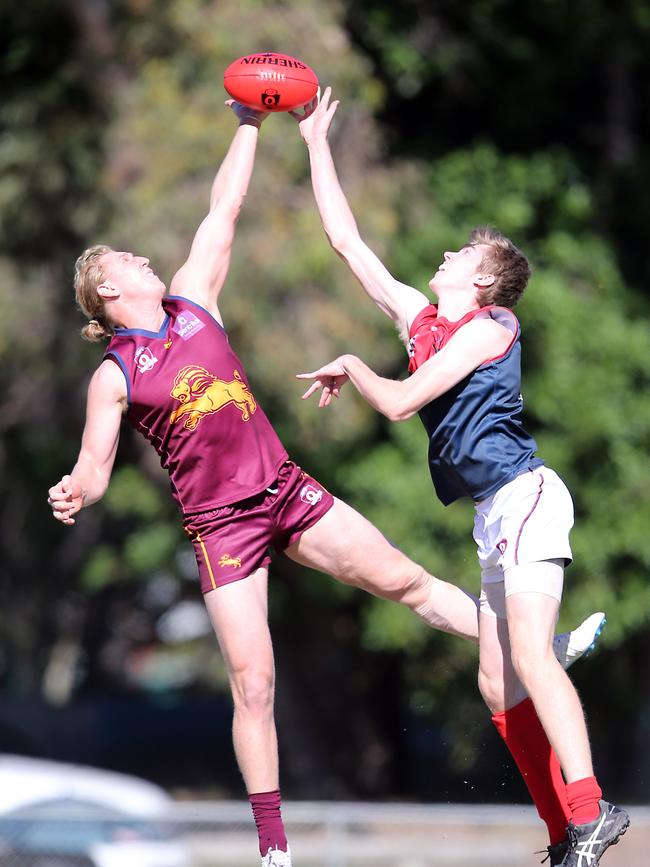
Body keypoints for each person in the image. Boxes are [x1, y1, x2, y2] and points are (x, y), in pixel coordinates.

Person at [49, 99, 601, 867]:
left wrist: (250, 122)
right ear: (106, 295)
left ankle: (545, 662)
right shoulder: (115, 374)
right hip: (220, 525)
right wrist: (75, 487)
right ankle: (274, 848)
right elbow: (96, 466)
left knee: (409, 582)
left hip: (285, 488)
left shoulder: (194, 298)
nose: (142, 260)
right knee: (256, 681)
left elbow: (226, 205)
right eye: (125, 264)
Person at [296, 88, 629, 867]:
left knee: (535, 660)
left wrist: (353, 364)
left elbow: (405, 402)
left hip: (528, 497)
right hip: (492, 511)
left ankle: (592, 809)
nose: (446, 254)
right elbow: (348, 245)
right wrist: (315, 143)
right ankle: (565, 837)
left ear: (483, 283)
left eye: (463, 256)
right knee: (495, 684)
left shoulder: (490, 327)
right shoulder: (423, 320)